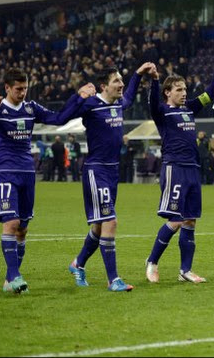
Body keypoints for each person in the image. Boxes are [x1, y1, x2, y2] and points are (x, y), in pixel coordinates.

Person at [0, 68, 94, 293]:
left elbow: (58, 118)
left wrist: (78, 97)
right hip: (5, 171)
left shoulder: (31, 108)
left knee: (22, 229)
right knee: (10, 223)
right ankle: (14, 275)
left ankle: (10, 280)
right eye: (18, 89)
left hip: (27, 172)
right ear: (7, 88)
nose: (22, 93)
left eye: (25, 89)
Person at [67, 62, 156, 292]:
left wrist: (137, 73)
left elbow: (128, 96)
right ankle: (113, 279)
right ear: (103, 86)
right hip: (96, 170)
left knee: (99, 227)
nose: (121, 84)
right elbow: (69, 113)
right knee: (110, 222)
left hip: (112, 171)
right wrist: (79, 96)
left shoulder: (118, 105)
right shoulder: (91, 105)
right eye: (117, 81)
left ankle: (78, 264)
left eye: (121, 80)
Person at [144, 57, 214, 284]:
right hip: (174, 168)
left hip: (193, 169)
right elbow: (152, 101)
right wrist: (154, 80)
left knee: (190, 221)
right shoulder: (161, 111)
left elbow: (210, 94)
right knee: (175, 220)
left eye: (185, 89)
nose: (183, 93)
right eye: (179, 89)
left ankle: (185, 270)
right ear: (167, 93)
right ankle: (151, 262)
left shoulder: (190, 108)